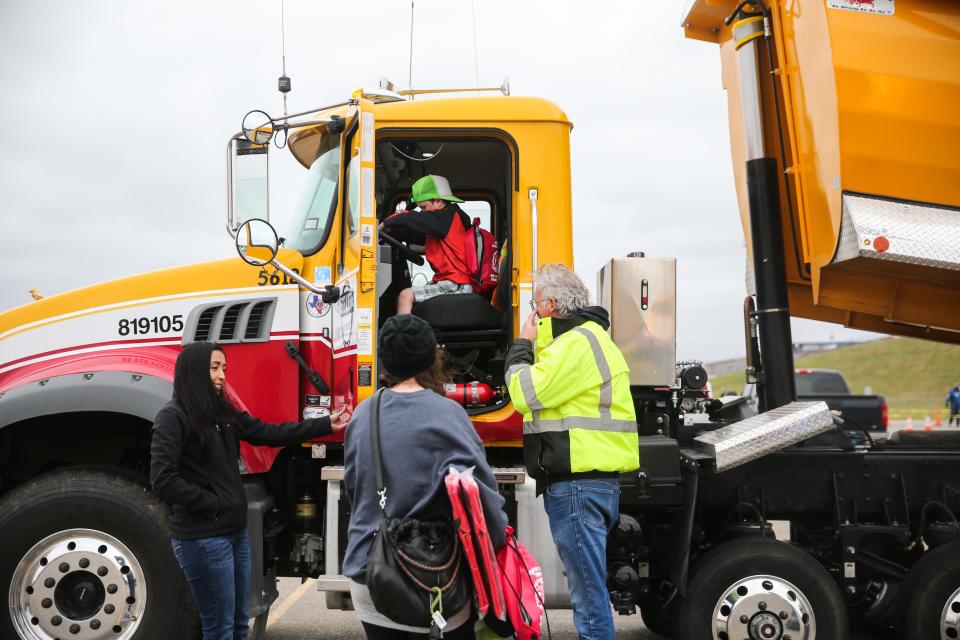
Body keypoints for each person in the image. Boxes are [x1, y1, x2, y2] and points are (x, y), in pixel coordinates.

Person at [150, 341, 351, 640]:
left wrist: (323, 425)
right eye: (214, 368)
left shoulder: (221, 412)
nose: (221, 376)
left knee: (239, 625)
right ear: (193, 371)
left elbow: (266, 433)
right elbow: (163, 479)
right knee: (220, 629)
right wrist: (213, 503)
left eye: (224, 369)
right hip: (203, 537)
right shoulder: (173, 417)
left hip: (234, 534)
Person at [343, 314, 508, 639]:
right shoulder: (448, 414)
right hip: (435, 577)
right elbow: (481, 499)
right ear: (432, 357)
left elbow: (355, 488)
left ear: (385, 360)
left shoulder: (364, 414)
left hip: (373, 575)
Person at [504, 263, 639, 640]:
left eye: (534, 303)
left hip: (579, 484)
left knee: (588, 593)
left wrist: (521, 346)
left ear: (548, 304)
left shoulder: (577, 343)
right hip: (588, 481)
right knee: (588, 586)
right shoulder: (586, 339)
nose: (532, 311)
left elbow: (524, 394)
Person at [380, 174, 476, 314]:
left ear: (438, 201)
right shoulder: (440, 225)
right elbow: (415, 234)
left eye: (423, 207)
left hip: (457, 283)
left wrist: (384, 224)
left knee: (405, 296)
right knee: (413, 299)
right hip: (450, 282)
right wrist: (393, 231)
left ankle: (400, 334)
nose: (422, 212)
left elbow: (412, 218)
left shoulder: (448, 216)